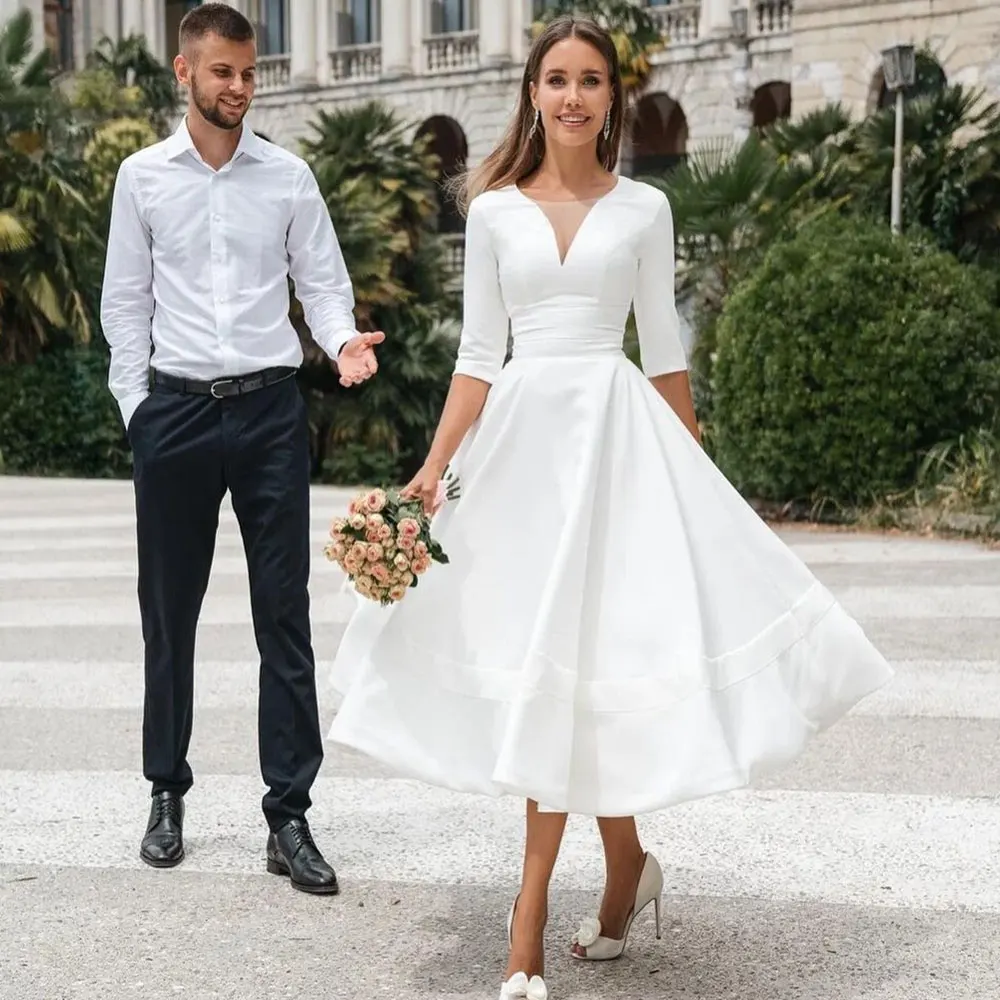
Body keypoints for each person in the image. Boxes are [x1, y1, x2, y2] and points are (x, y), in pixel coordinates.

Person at [327, 14, 893, 998]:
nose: (574, 96)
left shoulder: (641, 209)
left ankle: (528, 924)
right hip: (522, 462)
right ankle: (623, 865)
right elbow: (476, 358)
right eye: (556, 79)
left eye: (590, 80)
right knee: (559, 671)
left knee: (580, 666)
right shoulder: (494, 208)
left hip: (617, 449)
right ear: (532, 93)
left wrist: (698, 483)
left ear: (610, 98)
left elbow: (665, 354)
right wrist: (428, 472)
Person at [100, 3, 382, 894]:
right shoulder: (142, 178)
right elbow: (125, 307)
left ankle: (289, 815)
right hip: (174, 416)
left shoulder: (287, 176)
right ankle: (166, 792)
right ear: (184, 73)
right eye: (223, 72)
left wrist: (342, 345)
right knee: (168, 615)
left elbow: (323, 284)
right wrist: (135, 412)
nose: (239, 88)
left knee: (283, 615)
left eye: (249, 73)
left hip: (266, 412)